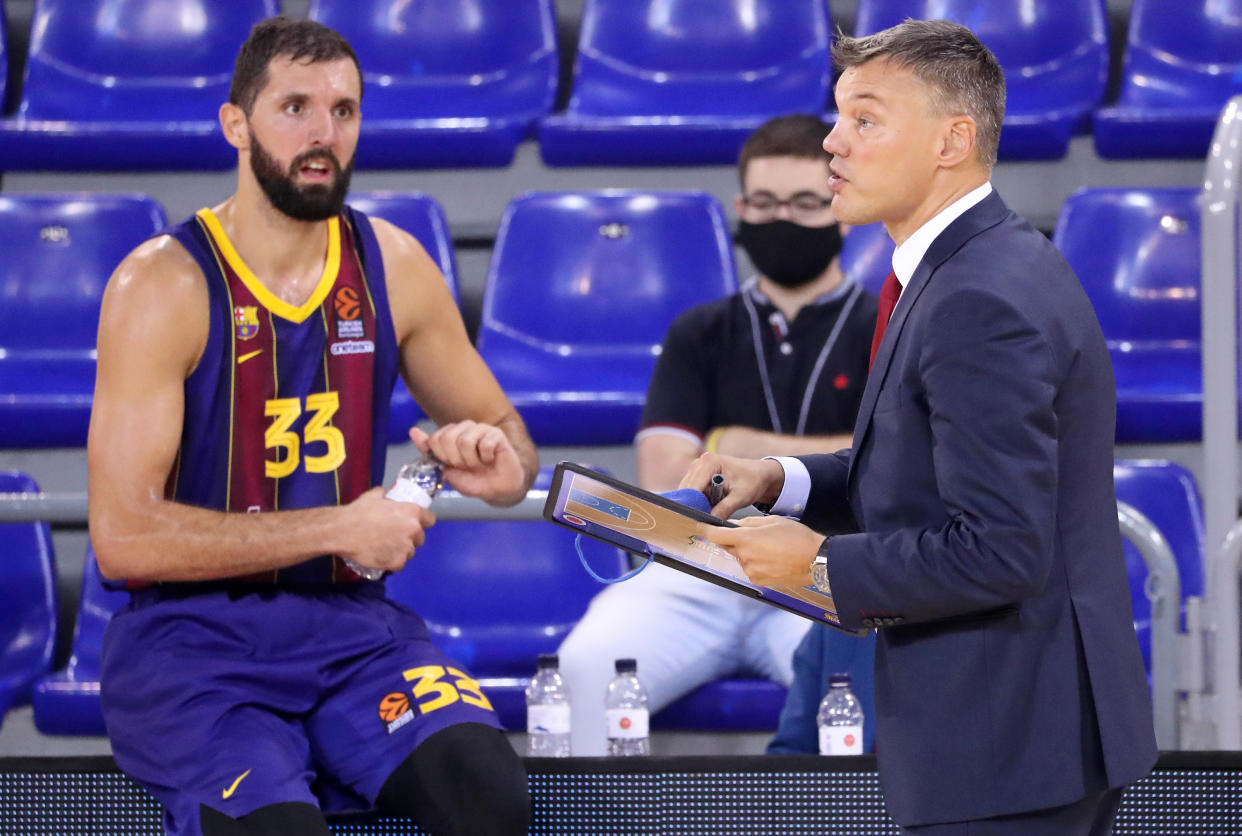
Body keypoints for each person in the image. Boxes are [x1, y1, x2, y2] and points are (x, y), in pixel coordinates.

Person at [684, 20, 1157, 834]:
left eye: (865, 119)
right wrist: (784, 479)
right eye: (839, 117)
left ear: (953, 140)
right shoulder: (979, 264)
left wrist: (822, 562)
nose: (833, 143)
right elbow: (924, 468)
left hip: (1010, 745)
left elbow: (1000, 548)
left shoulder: (978, 297)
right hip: (1014, 731)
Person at [88, 18, 538, 836]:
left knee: (490, 801)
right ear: (236, 124)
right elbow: (122, 537)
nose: (323, 133)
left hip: (354, 635)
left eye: (344, 110)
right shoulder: (160, 285)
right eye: (294, 107)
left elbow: (506, 437)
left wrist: (496, 461)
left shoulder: (394, 263)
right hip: (193, 646)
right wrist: (339, 526)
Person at [558, 114, 879, 756]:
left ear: (841, 208)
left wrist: (734, 441)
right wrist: (824, 446)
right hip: (698, 570)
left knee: (860, 695)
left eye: (805, 203)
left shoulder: (883, 324)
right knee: (584, 667)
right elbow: (664, 471)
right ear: (740, 208)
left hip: (820, 567)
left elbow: (887, 463)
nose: (781, 218)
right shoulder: (700, 330)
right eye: (764, 203)